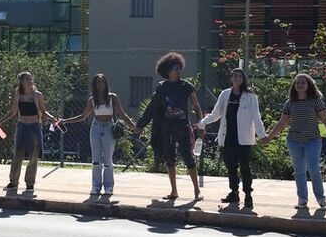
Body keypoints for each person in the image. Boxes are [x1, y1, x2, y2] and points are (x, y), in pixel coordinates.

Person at [262, 73, 326, 210]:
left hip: (313, 140)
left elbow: (325, 118)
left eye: (303, 83)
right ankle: (302, 200)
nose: (300, 85)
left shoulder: (316, 101)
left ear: (308, 85)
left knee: (313, 169)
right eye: (297, 83)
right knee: (299, 171)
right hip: (294, 141)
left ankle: (321, 199)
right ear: (294, 86)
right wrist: (269, 137)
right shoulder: (289, 103)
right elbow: (282, 122)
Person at [136, 53, 205, 201]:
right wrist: (140, 124)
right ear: (167, 70)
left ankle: (197, 190)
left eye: (179, 68)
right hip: (166, 128)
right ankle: (174, 191)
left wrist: (201, 124)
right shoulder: (162, 87)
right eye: (175, 68)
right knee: (170, 159)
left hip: (183, 127)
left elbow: (196, 105)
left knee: (188, 158)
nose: (178, 71)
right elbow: (152, 107)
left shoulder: (187, 86)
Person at [58, 73, 138, 198]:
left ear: (106, 84)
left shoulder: (112, 98)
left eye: (103, 82)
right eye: (98, 83)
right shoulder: (92, 99)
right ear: (94, 85)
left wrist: (134, 127)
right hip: (95, 127)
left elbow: (122, 115)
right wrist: (65, 121)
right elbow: (83, 116)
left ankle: (109, 186)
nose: (101, 85)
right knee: (96, 160)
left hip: (108, 127)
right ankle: (95, 186)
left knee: (108, 160)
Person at [196, 68, 267, 209]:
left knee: (245, 168)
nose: (237, 78)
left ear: (243, 79)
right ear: (231, 78)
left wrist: (262, 135)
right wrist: (202, 122)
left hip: (244, 139)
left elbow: (256, 117)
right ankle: (234, 193)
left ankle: (248, 195)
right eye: (235, 76)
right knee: (231, 168)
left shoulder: (250, 96)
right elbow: (216, 114)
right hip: (227, 137)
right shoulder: (225, 94)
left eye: (240, 76)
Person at [0, 72, 61, 196]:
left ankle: (30, 183)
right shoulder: (18, 95)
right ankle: (13, 182)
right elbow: (13, 112)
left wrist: (53, 119)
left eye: (31, 78)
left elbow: (43, 112)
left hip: (35, 127)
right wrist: (0, 122)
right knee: (17, 155)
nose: (30, 80)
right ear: (21, 82)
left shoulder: (38, 95)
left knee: (34, 156)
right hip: (22, 127)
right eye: (27, 79)